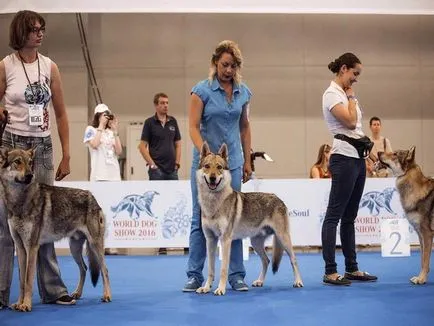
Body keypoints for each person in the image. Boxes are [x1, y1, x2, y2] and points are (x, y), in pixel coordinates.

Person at [0, 10, 75, 308]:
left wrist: (66, 152)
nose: (40, 34)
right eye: (34, 29)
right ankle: (2, 291)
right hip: (12, 145)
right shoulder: (5, 66)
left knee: (42, 223)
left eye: (42, 28)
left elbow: (61, 113)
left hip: (41, 149)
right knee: (5, 226)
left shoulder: (50, 67)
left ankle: (53, 290)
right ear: (21, 32)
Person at [183, 40, 253, 292]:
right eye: (224, 65)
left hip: (231, 165)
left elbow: (244, 127)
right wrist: (206, 154)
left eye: (233, 66)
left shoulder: (243, 92)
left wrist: (246, 158)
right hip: (204, 167)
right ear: (215, 63)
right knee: (199, 219)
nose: (228, 70)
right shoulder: (201, 91)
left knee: (231, 221)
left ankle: (236, 276)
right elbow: (191, 126)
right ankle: (194, 274)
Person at [321, 52, 378, 286]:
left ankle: (352, 268)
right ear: (343, 69)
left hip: (357, 159)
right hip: (343, 160)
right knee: (334, 216)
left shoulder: (344, 94)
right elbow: (350, 122)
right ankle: (330, 271)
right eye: (355, 74)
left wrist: (370, 152)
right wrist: (352, 97)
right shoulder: (331, 95)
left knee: (350, 217)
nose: (356, 79)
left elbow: (357, 130)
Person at [138, 93, 181, 180]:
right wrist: (152, 165)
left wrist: (176, 164)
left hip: (172, 171)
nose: (165, 105)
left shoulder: (173, 121)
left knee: (173, 194)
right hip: (156, 171)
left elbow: (178, 145)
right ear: (156, 105)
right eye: (162, 103)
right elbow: (142, 147)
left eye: (167, 103)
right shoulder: (149, 123)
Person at [83, 104, 122, 182]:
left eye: (108, 115)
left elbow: (119, 151)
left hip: (114, 175)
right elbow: (94, 144)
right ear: (97, 116)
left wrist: (115, 130)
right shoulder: (90, 129)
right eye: (104, 115)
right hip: (99, 175)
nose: (106, 118)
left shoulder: (110, 132)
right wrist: (101, 125)